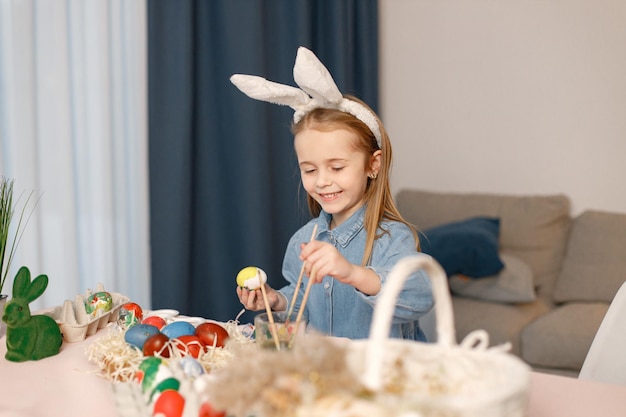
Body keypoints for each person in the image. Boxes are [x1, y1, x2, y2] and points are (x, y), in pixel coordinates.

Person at [231, 47, 433, 341]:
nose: (323, 181)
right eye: (310, 170)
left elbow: (419, 296)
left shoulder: (392, 237)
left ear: (372, 165)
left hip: (382, 377)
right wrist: (277, 301)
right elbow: (302, 304)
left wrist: (352, 273)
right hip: (326, 375)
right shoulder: (304, 240)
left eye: (337, 167)